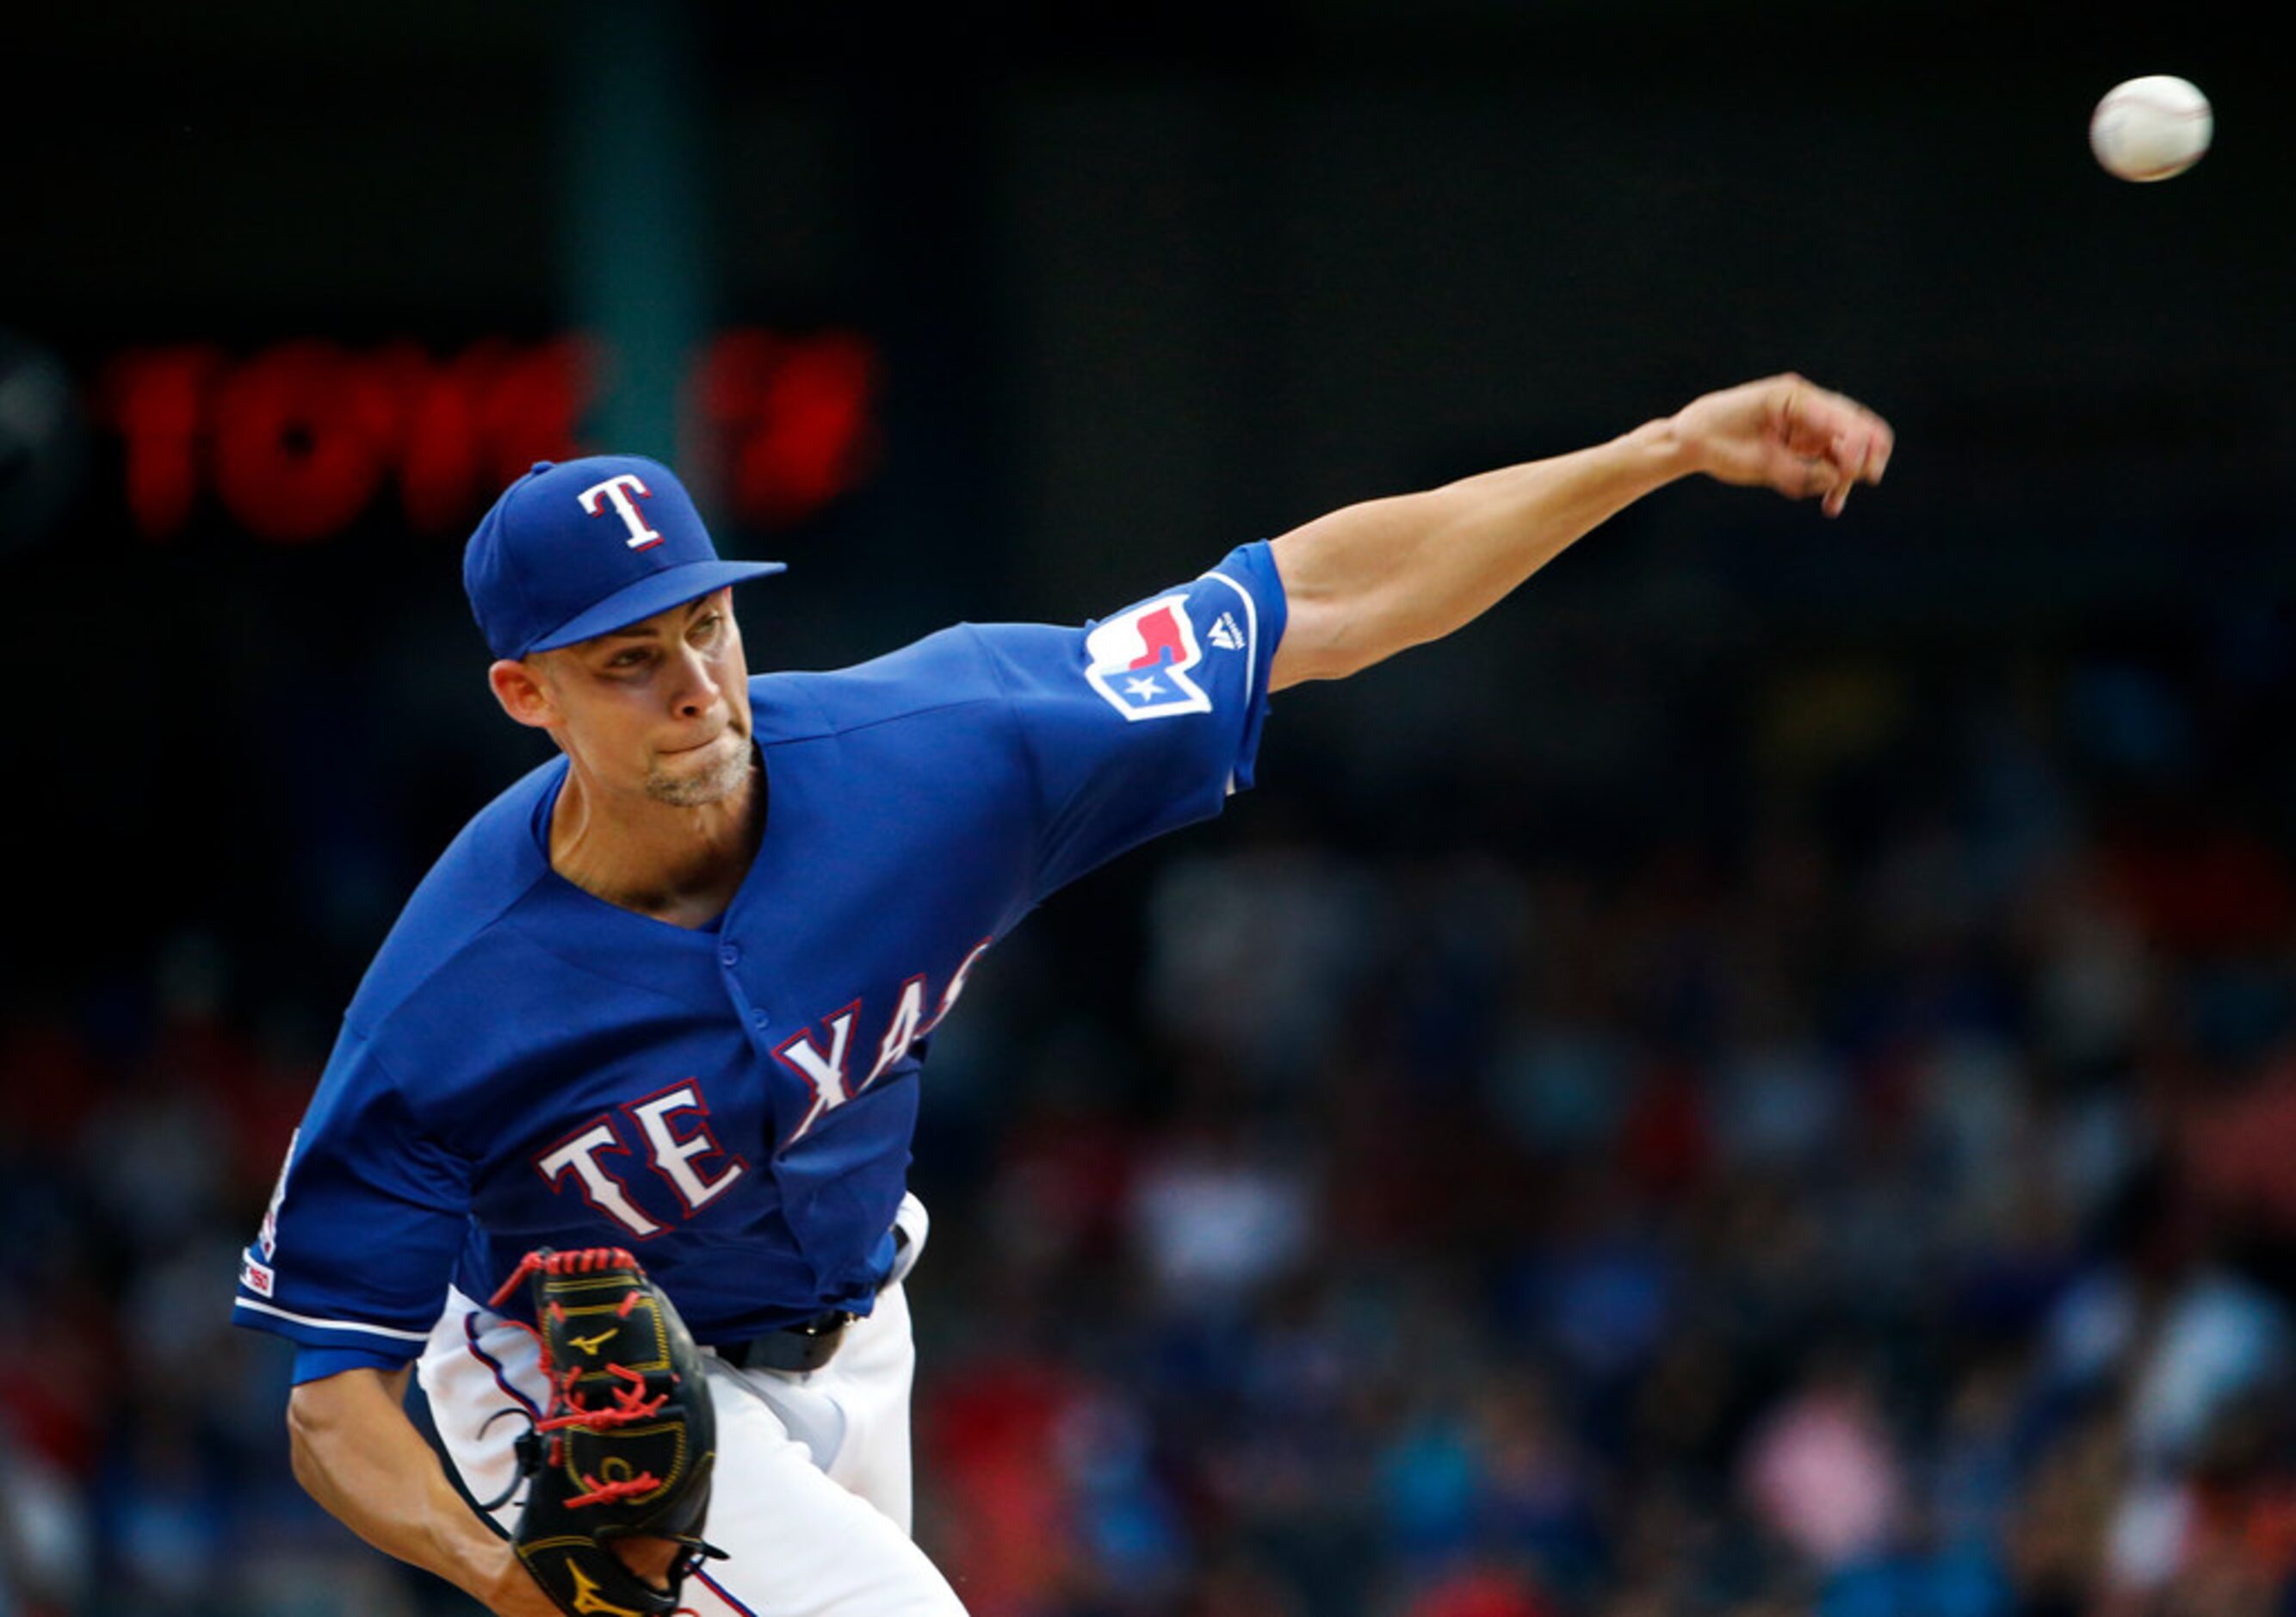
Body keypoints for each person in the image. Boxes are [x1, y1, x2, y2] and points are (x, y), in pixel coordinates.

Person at [233, 375, 1892, 1614]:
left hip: (851, 1332)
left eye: (708, 625)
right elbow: (331, 1400)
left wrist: (1655, 452)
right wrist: (502, 1577)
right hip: (567, 1368)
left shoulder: (943, 750)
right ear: (527, 693)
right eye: (628, 662)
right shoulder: (453, 995)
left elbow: (1310, 602)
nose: (695, 686)